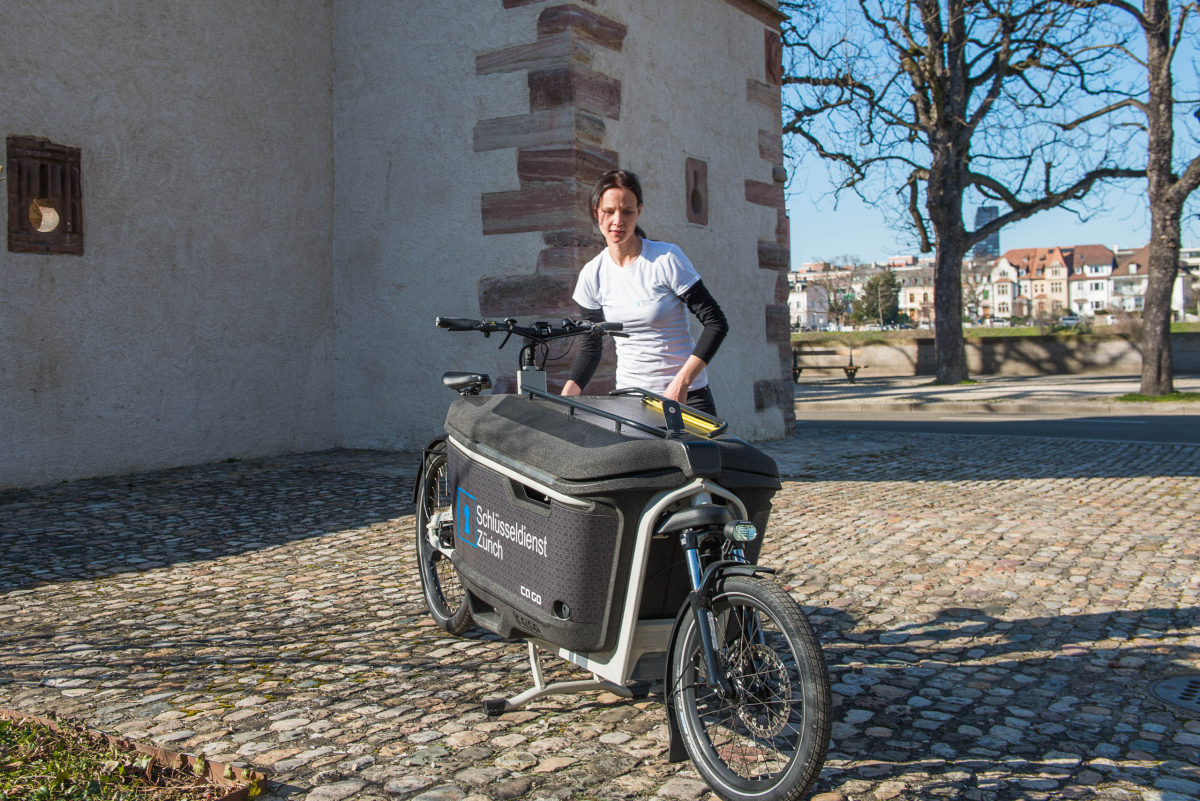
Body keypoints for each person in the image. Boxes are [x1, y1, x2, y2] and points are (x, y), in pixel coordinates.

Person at [561, 170, 728, 415]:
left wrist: (681, 383)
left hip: (685, 397)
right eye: (609, 211)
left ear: (638, 211)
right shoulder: (592, 274)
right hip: (631, 401)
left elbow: (716, 323)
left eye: (627, 211)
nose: (618, 221)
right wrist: (566, 396)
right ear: (596, 211)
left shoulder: (666, 259)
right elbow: (591, 347)